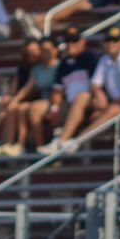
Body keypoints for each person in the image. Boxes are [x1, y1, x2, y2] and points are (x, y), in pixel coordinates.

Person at [38, 27, 100, 155]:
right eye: (68, 41)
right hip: (69, 104)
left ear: (82, 41)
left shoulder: (90, 58)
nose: (71, 44)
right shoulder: (64, 64)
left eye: (75, 40)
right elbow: (57, 91)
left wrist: (97, 104)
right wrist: (54, 109)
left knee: (81, 97)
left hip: (89, 104)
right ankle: (36, 149)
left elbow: (97, 86)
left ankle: (62, 140)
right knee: (38, 109)